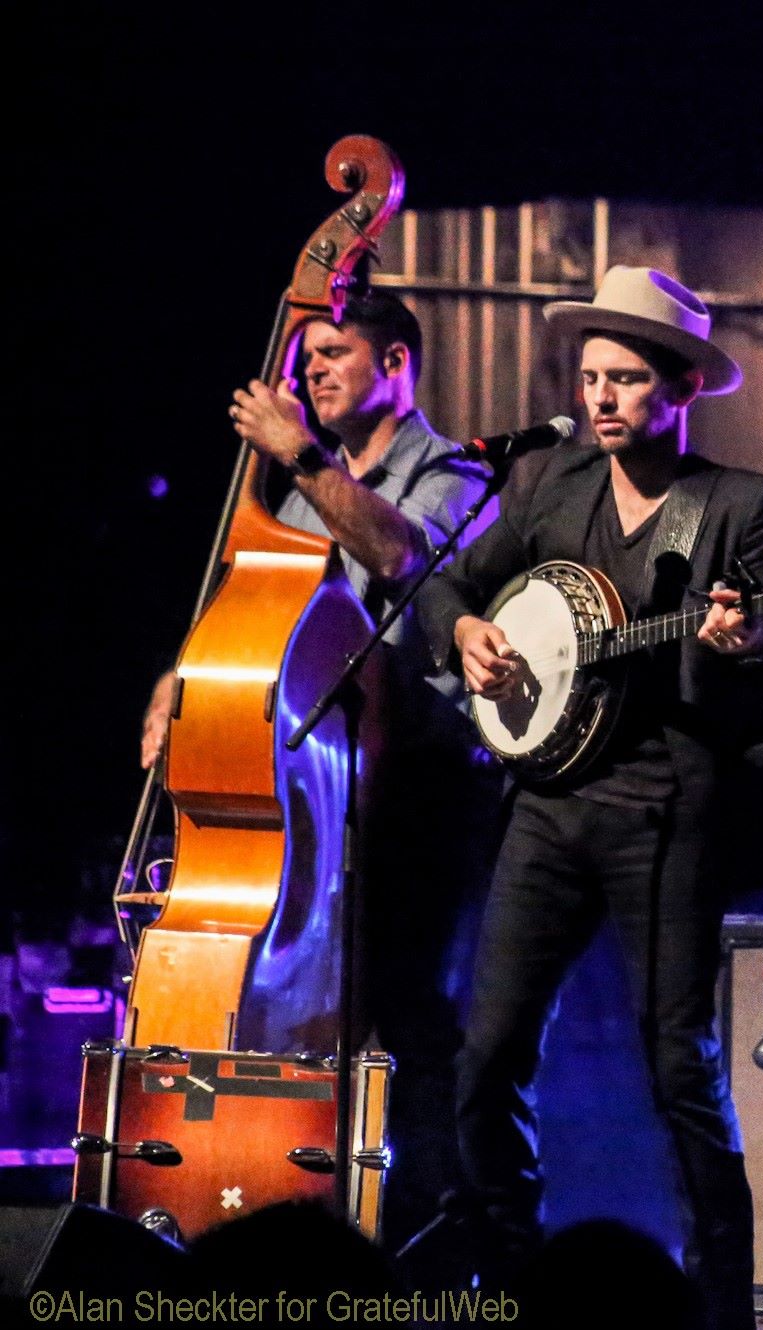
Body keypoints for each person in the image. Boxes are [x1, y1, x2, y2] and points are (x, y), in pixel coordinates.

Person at [417, 266, 763, 1329]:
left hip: (666, 809)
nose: (600, 396)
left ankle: (718, 1303)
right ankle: (512, 1279)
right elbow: (450, 584)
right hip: (546, 805)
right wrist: (470, 634)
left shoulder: (740, 507)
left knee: (679, 1065)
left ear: (679, 390)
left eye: (627, 379)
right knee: (489, 1050)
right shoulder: (551, 481)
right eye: (591, 375)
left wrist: (751, 636)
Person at [139, 289, 502, 1251]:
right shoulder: (299, 495)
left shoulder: (454, 470)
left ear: (396, 365)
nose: (313, 371)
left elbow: (401, 553)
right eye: (307, 357)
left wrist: (300, 451)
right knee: (291, 1013)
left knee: (412, 1013)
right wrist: (182, 679)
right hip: (310, 792)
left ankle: (433, 1240)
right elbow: (250, 608)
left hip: (421, 789)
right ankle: (289, 1217)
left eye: (335, 351)